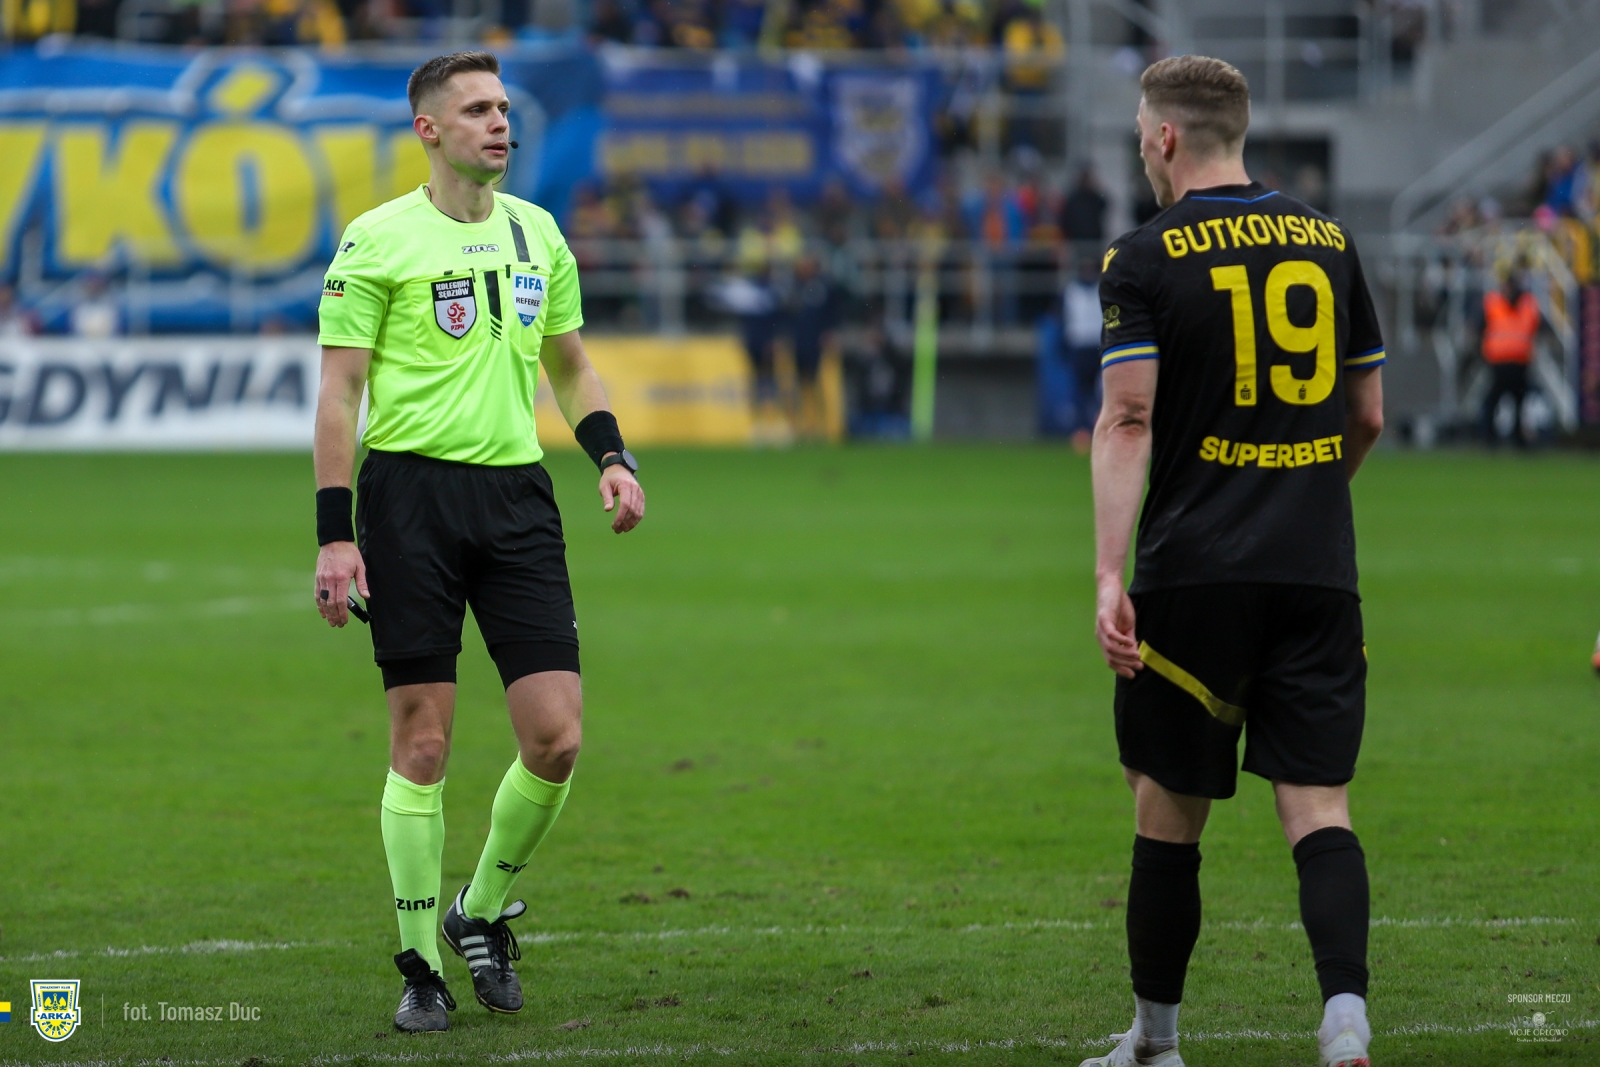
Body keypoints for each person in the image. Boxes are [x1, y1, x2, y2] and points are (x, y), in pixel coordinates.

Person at [311, 50, 646, 1035]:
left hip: (517, 500)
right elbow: (338, 392)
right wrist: (335, 537)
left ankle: (482, 907)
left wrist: (611, 455)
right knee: (423, 742)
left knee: (558, 735)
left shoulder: (539, 232)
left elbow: (570, 366)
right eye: (477, 110)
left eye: (503, 106)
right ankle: (420, 960)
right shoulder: (376, 239)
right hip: (408, 499)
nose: (500, 122)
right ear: (429, 129)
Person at [1085, 55, 1386, 1067]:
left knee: (1167, 809)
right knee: (1319, 805)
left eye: (1141, 131)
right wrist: (1302, 494)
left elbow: (1128, 417)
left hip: (1194, 572)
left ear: (1166, 136)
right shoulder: (1329, 241)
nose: (1141, 146)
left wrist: (1107, 573)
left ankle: (1157, 1042)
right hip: (1315, 567)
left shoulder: (1141, 256)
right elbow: (1367, 413)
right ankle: (1344, 1016)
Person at [1475, 269, 1540, 448]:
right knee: (1497, 400)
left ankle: (1513, 438)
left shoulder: (1522, 304)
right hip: (1501, 363)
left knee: (1516, 402)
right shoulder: (1500, 303)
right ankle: (1491, 437)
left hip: (1517, 362)